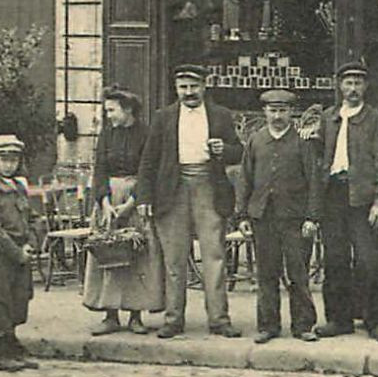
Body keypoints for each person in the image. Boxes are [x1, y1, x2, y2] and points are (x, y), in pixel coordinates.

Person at [137, 64, 244, 340]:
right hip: (172, 190)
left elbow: (238, 152)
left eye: (193, 86)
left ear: (204, 86)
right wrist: (144, 197)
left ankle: (219, 319)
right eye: (183, 87)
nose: (189, 92)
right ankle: (173, 319)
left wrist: (225, 150)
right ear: (176, 89)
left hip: (208, 184)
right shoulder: (163, 118)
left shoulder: (221, 115)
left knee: (214, 255)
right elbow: (148, 161)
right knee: (174, 258)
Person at [313, 61, 378, 342]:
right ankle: (338, 319)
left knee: (369, 260)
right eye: (348, 83)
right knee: (335, 259)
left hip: (364, 198)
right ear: (339, 86)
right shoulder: (328, 118)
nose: (352, 88)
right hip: (333, 196)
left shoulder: (377, 120)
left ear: (366, 87)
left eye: (358, 83)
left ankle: (377, 320)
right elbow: (319, 159)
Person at [236, 88, 322, 344]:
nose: (277, 116)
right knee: (266, 273)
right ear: (264, 112)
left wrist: (312, 218)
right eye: (272, 110)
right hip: (263, 216)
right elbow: (245, 178)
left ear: (291, 112)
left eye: (282, 111)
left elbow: (314, 182)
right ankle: (267, 325)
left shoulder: (303, 141)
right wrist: (242, 215)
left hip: (295, 219)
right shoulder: (256, 140)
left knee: (298, 273)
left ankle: (303, 325)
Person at [83, 86, 164, 336]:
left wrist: (130, 204)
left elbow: (148, 171)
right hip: (108, 200)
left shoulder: (146, 134)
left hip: (135, 200)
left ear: (127, 109)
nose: (108, 115)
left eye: (112, 110)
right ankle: (110, 315)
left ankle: (135, 315)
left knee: (137, 255)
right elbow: (99, 170)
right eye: (106, 110)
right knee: (108, 253)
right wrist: (105, 203)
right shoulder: (107, 135)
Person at [0, 134, 41, 372]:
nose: (9, 164)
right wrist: (15, 252)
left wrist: (31, 244)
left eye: (13, 159)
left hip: (21, 252)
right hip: (0, 256)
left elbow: (33, 218)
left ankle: (12, 348)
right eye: (3, 159)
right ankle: (0, 353)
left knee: (18, 299)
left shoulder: (19, 187)